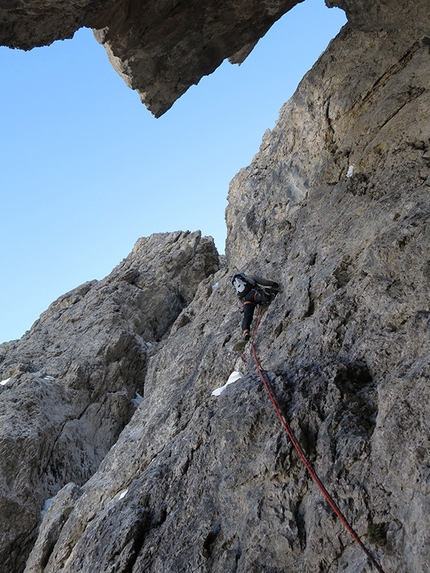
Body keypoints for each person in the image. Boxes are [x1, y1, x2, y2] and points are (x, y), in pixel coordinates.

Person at [231, 272, 280, 340]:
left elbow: (241, 300)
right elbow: (264, 282)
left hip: (247, 302)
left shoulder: (237, 289)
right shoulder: (249, 277)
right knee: (266, 298)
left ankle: (245, 331)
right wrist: (273, 284)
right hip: (255, 294)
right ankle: (267, 295)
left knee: (247, 316)